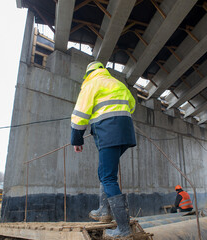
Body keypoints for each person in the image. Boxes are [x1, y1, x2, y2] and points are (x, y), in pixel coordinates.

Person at [71, 61, 136, 239]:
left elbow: (80, 115)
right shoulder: (118, 83)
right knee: (105, 172)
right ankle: (103, 211)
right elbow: (131, 105)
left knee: (108, 177)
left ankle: (124, 229)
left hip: (108, 134)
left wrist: (76, 139)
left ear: (88, 73)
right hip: (125, 134)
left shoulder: (91, 84)